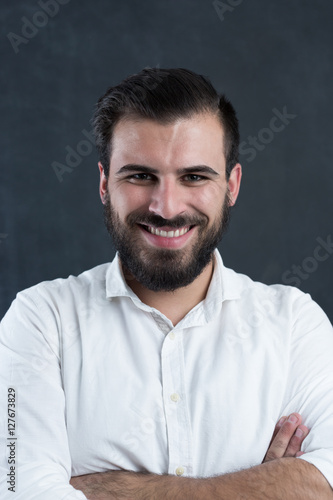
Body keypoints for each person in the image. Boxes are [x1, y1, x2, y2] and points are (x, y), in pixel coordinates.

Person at [1, 68, 333, 500]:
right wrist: (263, 487)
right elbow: (20, 490)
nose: (166, 207)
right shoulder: (40, 320)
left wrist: (106, 489)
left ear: (231, 185)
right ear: (105, 184)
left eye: (195, 177)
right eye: (140, 176)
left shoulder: (294, 324)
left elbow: (325, 480)